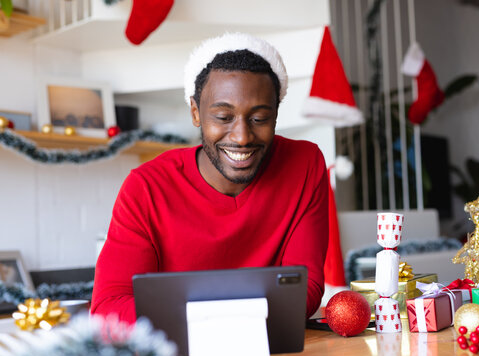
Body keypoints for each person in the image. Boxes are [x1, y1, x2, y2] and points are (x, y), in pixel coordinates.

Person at [91, 33, 329, 323]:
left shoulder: (304, 164)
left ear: (276, 115)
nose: (242, 137)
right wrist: (220, 320)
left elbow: (304, 289)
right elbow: (108, 307)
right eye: (223, 117)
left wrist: (190, 314)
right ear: (196, 112)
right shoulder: (146, 187)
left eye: (259, 119)